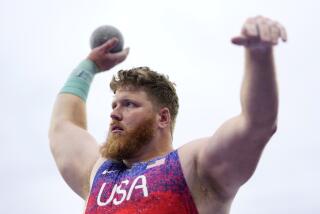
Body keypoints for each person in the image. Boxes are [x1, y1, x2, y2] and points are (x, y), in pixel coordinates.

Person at [49, 15, 287, 214]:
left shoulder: (192, 166)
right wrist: (88, 66)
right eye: (113, 106)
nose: (115, 114)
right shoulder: (100, 172)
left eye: (129, 104)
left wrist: (259, 55)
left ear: (162, 118)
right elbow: (63, 125)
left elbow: (256, 125)